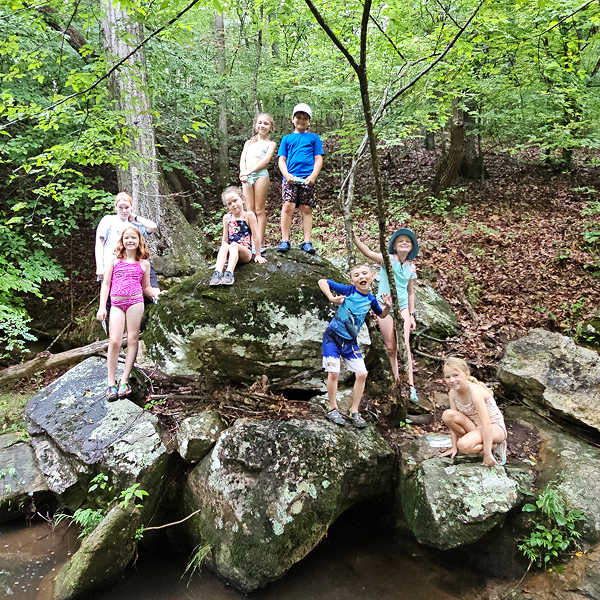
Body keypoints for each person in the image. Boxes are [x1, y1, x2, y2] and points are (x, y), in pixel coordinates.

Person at [318, 265, 392, 428]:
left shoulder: (371, 299)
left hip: (350, 342)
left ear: (372, 276)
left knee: (362, 374)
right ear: (352, 281)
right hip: (332, 338)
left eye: (364, 273)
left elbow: (382, 314)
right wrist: (331, 298)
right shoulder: (349, 291)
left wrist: (387, 306)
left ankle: (354, 410)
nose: (361, 277)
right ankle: (332, 408)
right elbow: (322, 281)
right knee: (334, 372)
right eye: (356, 275)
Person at [354, 228, 419, 402]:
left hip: (403, 307)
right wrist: (354, 238)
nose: (404, 243)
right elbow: (367, 252)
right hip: (385, 306)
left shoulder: (411, 266)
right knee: (390, 348)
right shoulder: (388, 260)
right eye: (400, 241)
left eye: (407, 241)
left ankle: (411, 386)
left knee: (404, 345)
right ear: (395, 247)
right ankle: (396, 383)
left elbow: (410, 292)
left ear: (411, 246)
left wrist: (411, 315)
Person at [97, 227, 161, 401]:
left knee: (132, 339)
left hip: (135, 302)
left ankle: (124, 380)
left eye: (133, 237)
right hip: (116, 303)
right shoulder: (113, 261)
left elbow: (146, 287)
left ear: (139, 240)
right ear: (122, 241)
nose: (130, 241)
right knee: (115, 340)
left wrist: (156, 293)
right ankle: (111, 383)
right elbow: (106, 285)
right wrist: (102, 307)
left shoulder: (144, 264)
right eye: (127, 238)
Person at [440, 357, 507, 466]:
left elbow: (487, 423)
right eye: (448, 377)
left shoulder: (475, 393)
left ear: (466, 374)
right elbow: (453, 424)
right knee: (447, 415)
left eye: (455, 375)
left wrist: (487, 454)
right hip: (475, 428)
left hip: (494, 428)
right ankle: (474, 443)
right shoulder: (453, 393)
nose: (452, 380)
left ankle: (495, 445)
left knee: (464, 445)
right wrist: (454, 447)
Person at [277, 103, 324, 255]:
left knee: (306, 208)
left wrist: (313, 176)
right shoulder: (287, 139)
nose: (301, 120)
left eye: (305, 118)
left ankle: (307, 241)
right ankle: (284, 239)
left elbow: (318, 158)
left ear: (309, 121)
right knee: (288, 206)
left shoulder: (314, 138)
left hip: (307, 178)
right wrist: (286, 175)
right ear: (293, 119)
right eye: (298, 117)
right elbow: (282, 160)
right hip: (290, 178)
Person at [95, 192, 160, 295]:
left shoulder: (134, 224)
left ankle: (156, 295)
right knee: (110, 294)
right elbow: (100, 243)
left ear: (131, 207)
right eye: (121, 207)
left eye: (127, 207)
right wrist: (100, 266)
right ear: (115, 207)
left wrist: (135, 217)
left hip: (130, 265)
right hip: (111, 264)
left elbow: (152, 227)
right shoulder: (108, 220)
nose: (124, 211)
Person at [209, 187, 266, 286]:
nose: (233, 205)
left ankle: (229, 273)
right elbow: (224, 240)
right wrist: (225, 255)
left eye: (235, 201)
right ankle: (217, 272)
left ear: (242, 199)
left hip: (245, 253)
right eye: (229, 203)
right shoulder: (227, 218)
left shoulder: (248, 216)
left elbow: (256, 236)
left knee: (234, 245)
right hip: (231, 253)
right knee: (225, 246)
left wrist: (257, 254)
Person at [239, 113, 277, 251]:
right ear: (256, 125)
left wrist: (248, 172)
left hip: (260, 175)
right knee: (249, 210)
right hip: (246, 177)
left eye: (266, 123)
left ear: (270, 127)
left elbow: (265, 161)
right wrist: (243, 173)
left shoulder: (271, 143)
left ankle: (259, 244)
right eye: (260, 123)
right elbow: (242, 159)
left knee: (259, 210)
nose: (262, 125)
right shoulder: (248, 143)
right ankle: (249, 242)